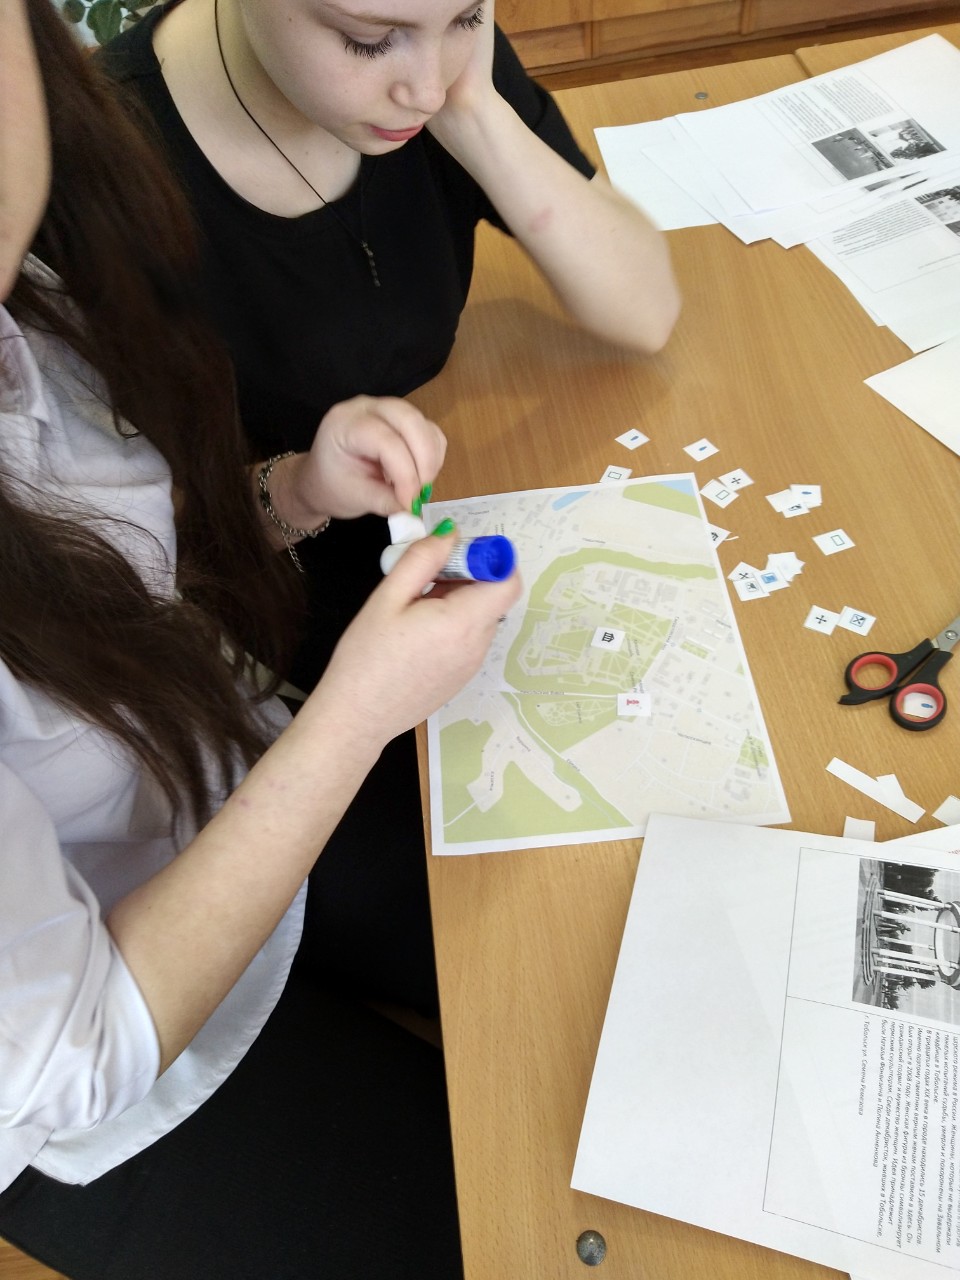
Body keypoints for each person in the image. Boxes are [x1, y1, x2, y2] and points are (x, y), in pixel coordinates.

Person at [0, 2, 521, 1276]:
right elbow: (71, 1052)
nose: (420, 84)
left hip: (218, 770)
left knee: (553, 948)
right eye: (370, 39)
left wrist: (294, 489)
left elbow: (111, 574)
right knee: (494, 1215)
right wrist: (355, 714)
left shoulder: (48, 279)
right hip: (94, 1048)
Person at [94, 0, 681, 1018]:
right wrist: (300, 488)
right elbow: (131, 569)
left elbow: (646, 308)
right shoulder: (108, 170)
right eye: (368, 40)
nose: (423, 82)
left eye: (467, 15)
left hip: (420, 572)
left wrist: (481, 117)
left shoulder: (441, 68)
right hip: (249, 648)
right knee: (538, 952)